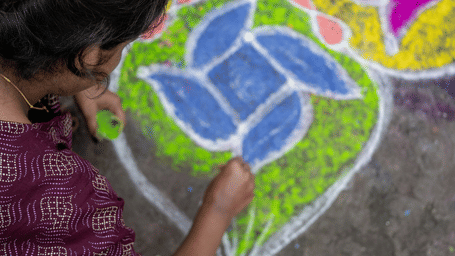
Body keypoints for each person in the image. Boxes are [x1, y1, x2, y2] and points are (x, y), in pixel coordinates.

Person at [0, 0, 255, 255]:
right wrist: (219, 210)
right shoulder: (59, 202)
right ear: (89, 53)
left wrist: (78, 74)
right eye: (124, 45)